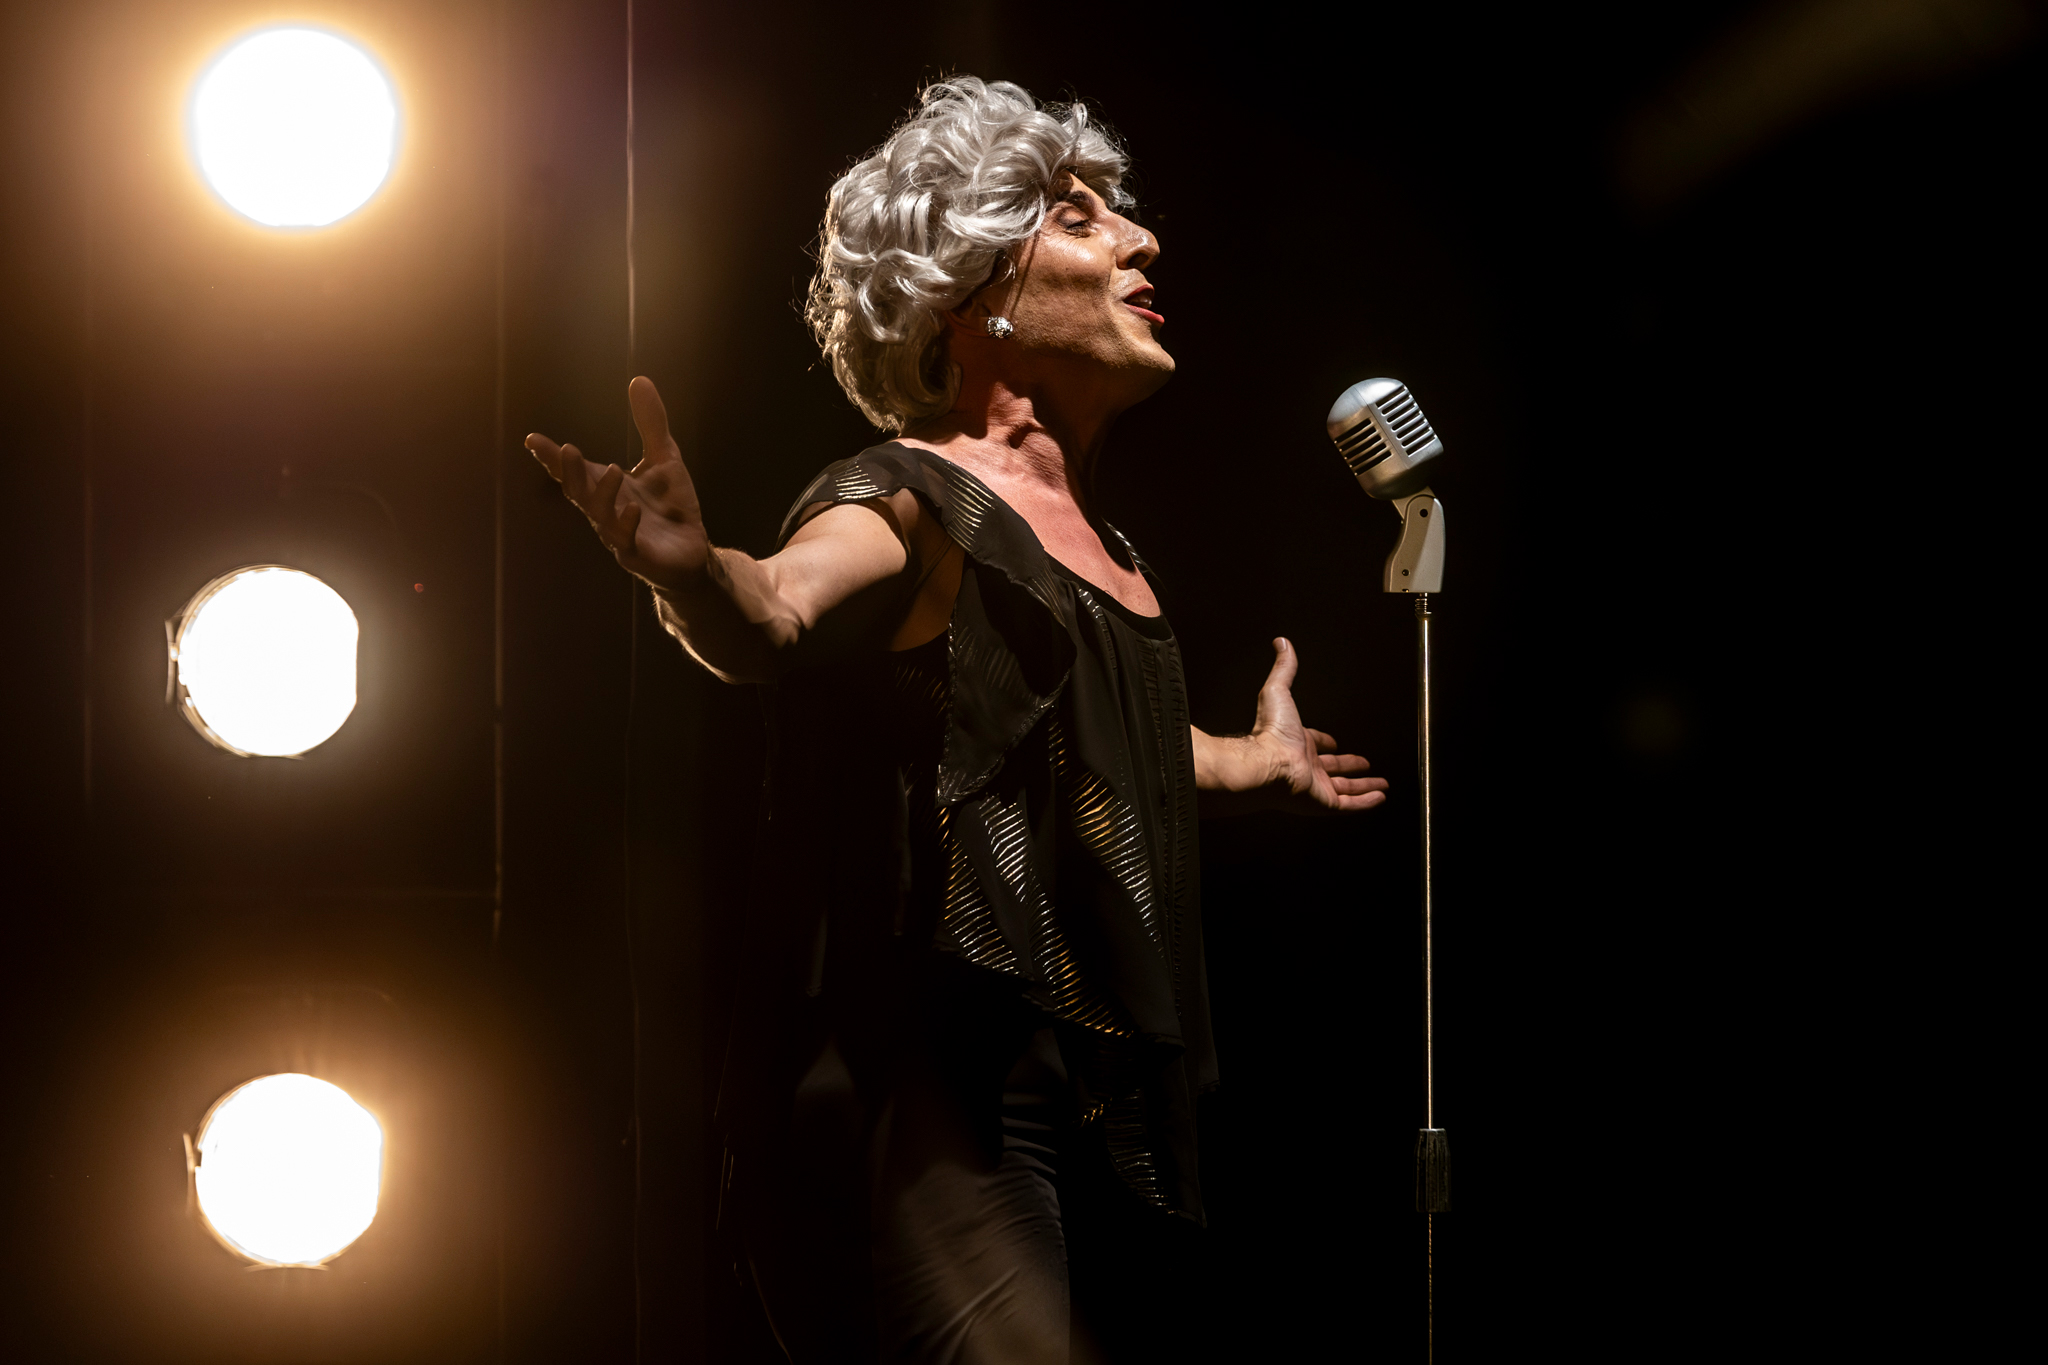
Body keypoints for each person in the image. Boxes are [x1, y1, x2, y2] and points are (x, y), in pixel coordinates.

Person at [526, 77, 1387, 1365]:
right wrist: (696, 575)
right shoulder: (906, 496)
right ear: (969, 296)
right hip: (914, 1091)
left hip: (1055, 1097)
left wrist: (1247, 762)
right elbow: (777, 610)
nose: (1142, 241)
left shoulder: (1109, 552)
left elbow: (1075, 737)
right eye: (1080, 221)